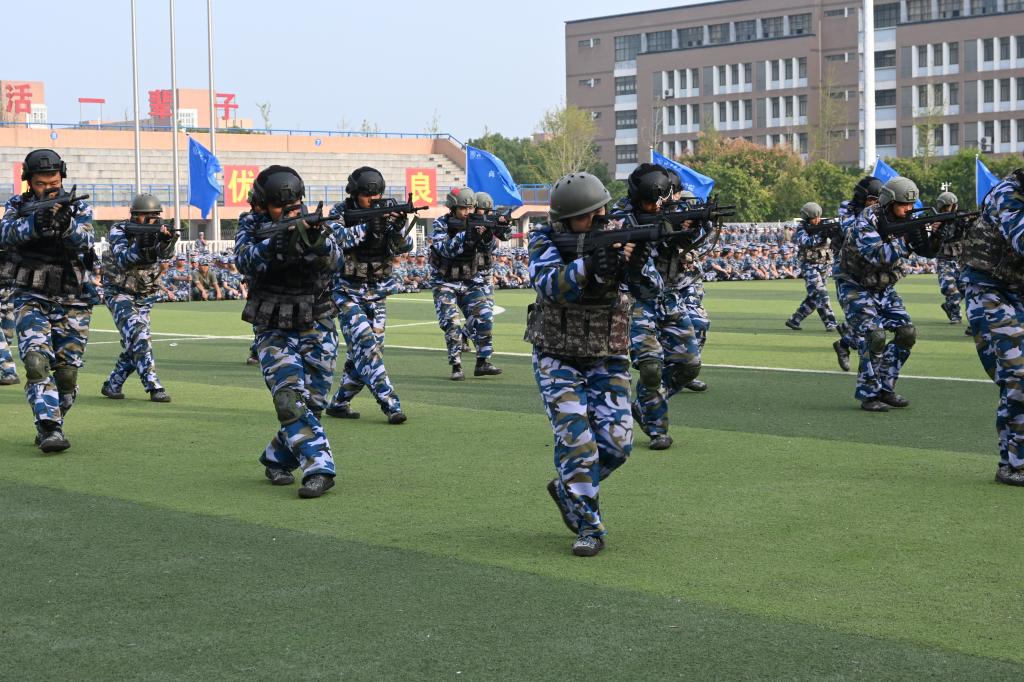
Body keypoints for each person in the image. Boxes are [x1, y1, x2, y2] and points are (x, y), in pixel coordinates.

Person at [527, 171, 660, 557]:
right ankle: (589, 526)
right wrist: (588, 265)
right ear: (566, 221)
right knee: (577, 443)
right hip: (557, 356)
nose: (598, 220)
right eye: (587, 217)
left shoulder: (621, 234)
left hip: (607, 354)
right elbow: (548, 284)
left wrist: (635, 267)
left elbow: (652, 289)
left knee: (618, 444)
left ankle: (567, 488)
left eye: (600, 212)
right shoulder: (544, 238)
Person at [235, 165, 341, 498]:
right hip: (273, 324)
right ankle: (319, 468)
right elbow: (244, 261)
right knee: (288, 399)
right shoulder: (250, 225)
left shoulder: (314, 222)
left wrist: (316, 242)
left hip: (317, 320)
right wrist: (275, 244)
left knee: (313, 404)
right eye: (280, 207)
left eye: (293, 205)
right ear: (261, 205)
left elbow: (336, 261)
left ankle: (276, 458)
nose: (289, 211)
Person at [0, 149, 95, 452]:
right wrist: (35, 223)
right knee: (36, 361)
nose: (49, 188)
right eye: (41, 183)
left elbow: (87, 240)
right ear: (29, 182)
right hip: (30, 292)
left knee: (67, 376)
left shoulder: (76, 206)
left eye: (54, 182)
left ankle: (53, 417)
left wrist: (66, 226)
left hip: (73, 296)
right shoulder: (18, 205)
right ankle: (50, 427)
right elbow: (4, 233)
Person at [622, 165, 705, 451]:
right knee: (650, 367)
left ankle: (644, 405)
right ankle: (657, 429)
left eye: (658, 202)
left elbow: (687, 245)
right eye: (648, 202)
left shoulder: (669, 211)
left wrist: (689, 229)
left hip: (668, 297)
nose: (654, 207)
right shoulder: (620, 217)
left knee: (689, 365)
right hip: (636, 300)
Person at [324, 166, 411, 424]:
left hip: (378, 291)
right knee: (366, 346)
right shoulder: (340, 212)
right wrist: (367, 227)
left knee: (367, 353)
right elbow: (336, 240)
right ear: (354, 194)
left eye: (377, 196)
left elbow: (404, 246)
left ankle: (339, 403)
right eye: (367, 196)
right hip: (345, 292)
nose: (373, 200)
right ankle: (391, 404)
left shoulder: (388, 210)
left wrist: (396, 228)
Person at [834, 177, 923, 412]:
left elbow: (928, 251)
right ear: (888, 202)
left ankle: (886, 388)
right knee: (874, 336)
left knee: (906, 333)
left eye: (911, 205)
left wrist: (933, 234)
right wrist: (906, 239)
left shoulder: (904, 219)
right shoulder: (866, 220)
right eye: (903, 204)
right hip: (854, 284)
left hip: (882, 286)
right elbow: (878, 256)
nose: (908, 209)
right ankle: (869, 394)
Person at [961, 166, 1024, 485]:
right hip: (989, 291)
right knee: (1017, 376)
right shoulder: (1007, 195)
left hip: (1017, 289)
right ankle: (1013, 464)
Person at [99, 194, 176, 402]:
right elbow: (124, 259)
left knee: (135, 343)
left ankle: (112, 384)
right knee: (139, 336)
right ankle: (153, 386)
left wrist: (166, 241)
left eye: (155, 215)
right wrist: (142, 242)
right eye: (146, 215)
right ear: (134, 215)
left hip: (144, 295)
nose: (152, 219)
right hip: (119, 293)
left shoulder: (158, 229)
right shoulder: (119, 230)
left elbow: (165, 256)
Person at [429, 188, 502, 380]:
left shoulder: (477, 222)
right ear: (453, 208)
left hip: (470, 280)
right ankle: (456, 366)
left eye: (470, 208)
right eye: (463, 208)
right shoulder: (441, 224)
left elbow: (488, 248)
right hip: (444, 282)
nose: (467, 212)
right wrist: (466, 235)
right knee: (451, 323)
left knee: (485, 316)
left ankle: (483, 362)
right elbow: (445, 249)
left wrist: (487, 235)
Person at [831, 177, 883, 372]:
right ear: (862, 198)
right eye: (872, 200)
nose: (875, 204)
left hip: (872, 274)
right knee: (868, 327)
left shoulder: (881, 212)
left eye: (878, 200)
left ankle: (844, 342)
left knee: (872, 319)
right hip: (848, 274)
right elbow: (850, 229)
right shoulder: (847, 209)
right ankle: (870, 380)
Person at [785, 202, 839, 332]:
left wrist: (834, 232)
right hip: (809, 266)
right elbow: (806, 242)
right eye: (814, 218)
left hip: (824, 265)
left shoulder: (824, 224)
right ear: (807, 218)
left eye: (819, 217)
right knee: (821, 294)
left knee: (814, 297)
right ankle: (831, 322)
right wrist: (821, 234)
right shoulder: (801, 228)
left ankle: (795, 319)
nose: (817, 220)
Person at [933, 191, 965, 324]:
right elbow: (942, 238)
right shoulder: (937, 222)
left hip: (959, 260)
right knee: (952, 291)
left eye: (951, 206)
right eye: (946, 207)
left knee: (965, 289)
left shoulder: (961, 219)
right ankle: (956, 316)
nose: (949, 209)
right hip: (944, 261)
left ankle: (948, 306)